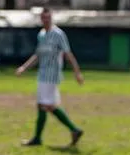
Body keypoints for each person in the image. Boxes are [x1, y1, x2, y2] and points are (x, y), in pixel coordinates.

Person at [15, 8, 84, 147]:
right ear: (41, 19)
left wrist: (77, 72)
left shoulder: (58, 34)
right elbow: (38, 55)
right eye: (44, 18)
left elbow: (68, 54)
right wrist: (24, 67)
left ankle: (40, 138)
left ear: (52, 18)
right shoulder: (41, 35)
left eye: (48, 17)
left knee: (44, 105)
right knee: (48, 106)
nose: (46, 20)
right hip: (42, 74)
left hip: (52, 76)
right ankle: (73, 130)